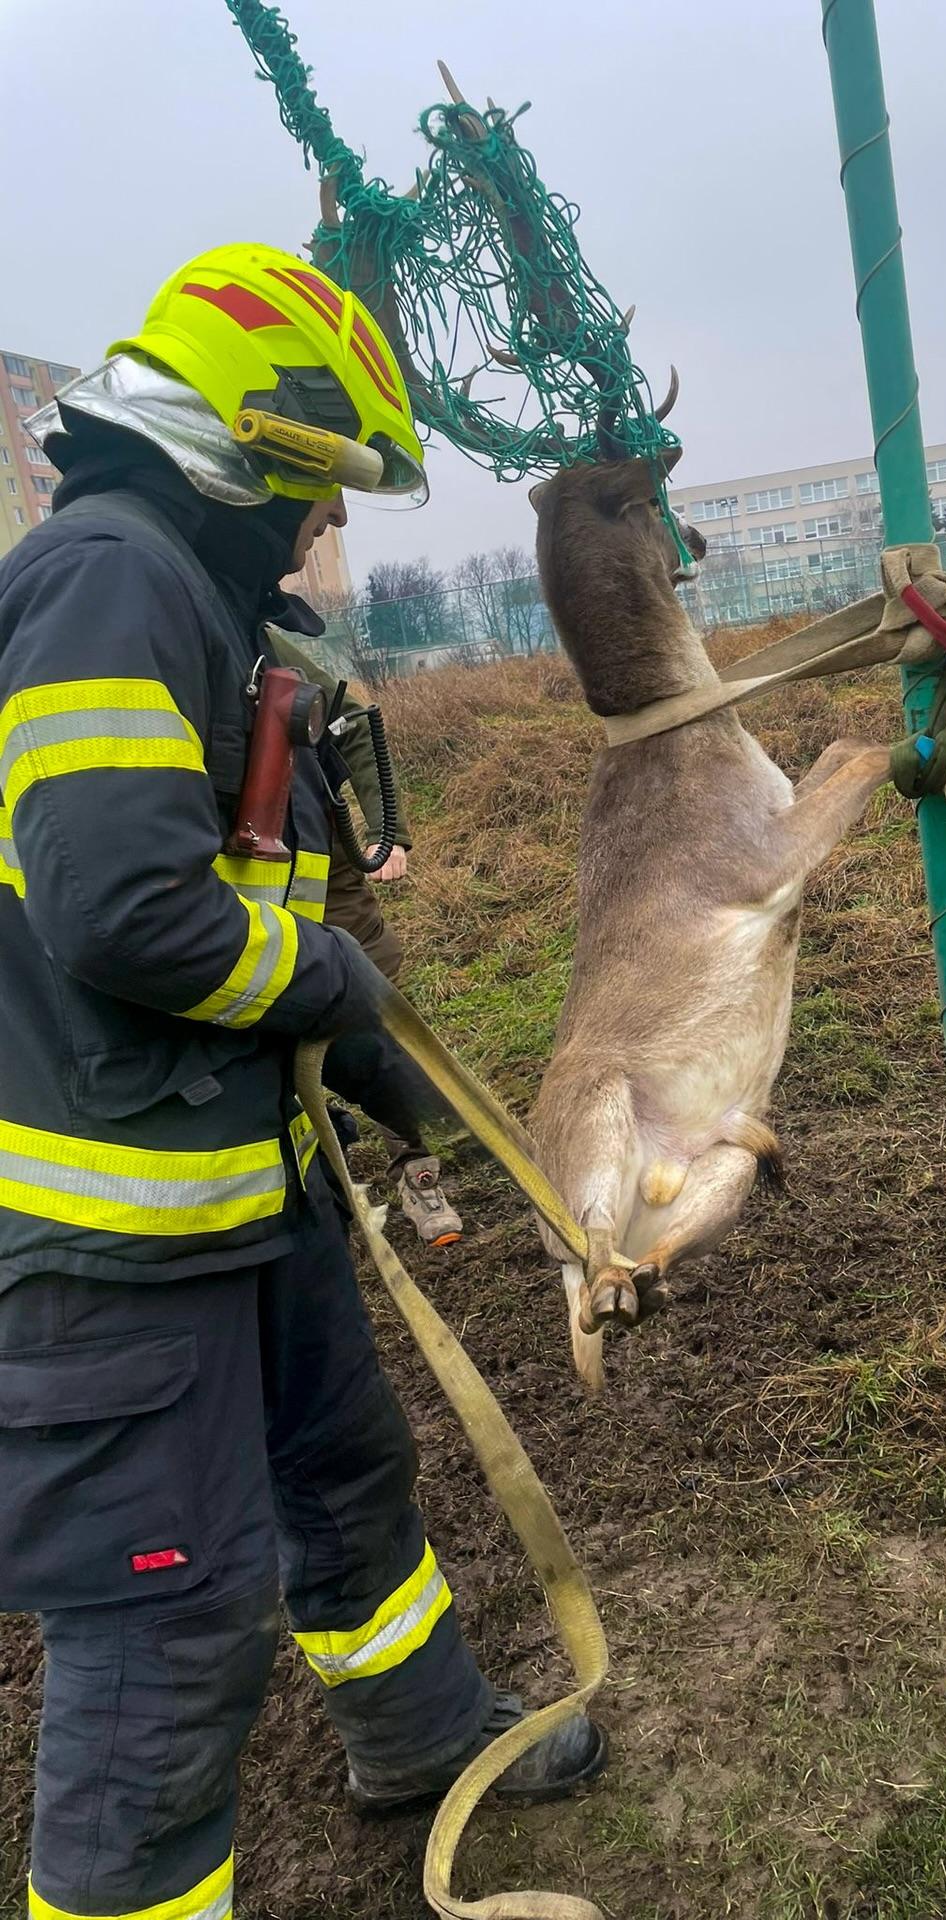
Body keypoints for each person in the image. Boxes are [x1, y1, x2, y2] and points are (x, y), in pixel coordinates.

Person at [0, 244, 603, 1920]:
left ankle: (421, 1737)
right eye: (319, 483)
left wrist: (400, 1090)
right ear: (240, 443)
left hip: (239, 1191)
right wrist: (336, 983)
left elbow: (237, 906)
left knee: (343, 1474)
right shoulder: (106, 579)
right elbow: (126, 910)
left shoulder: (188, 599)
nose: (324, 523)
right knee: (168, 1622)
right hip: (117, 1246)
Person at [267, 628, 465, 1247]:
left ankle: (416, 1166)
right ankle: (313, 1173)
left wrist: (385, 831)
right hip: (212, 874)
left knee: (377, 1005)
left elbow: (350, 722)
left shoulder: (252, 632)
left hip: (317, 853)